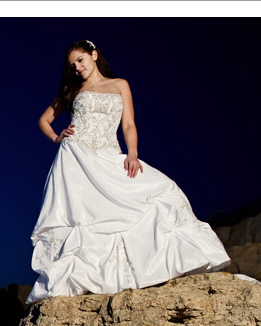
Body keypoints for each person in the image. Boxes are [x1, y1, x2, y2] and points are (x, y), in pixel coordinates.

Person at [27, 39, 231, 304]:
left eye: (80, 60)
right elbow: (44, 120)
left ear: (94, 55)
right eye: (72, 65)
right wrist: (57, 138)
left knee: (160, 191)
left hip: (109, 153)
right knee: (85, 218)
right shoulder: (72, 91)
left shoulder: (119, 84)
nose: (77, 68)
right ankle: (87, 278)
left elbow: (129, 124)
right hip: (76, 157)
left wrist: (132, 154)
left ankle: (143, 269)